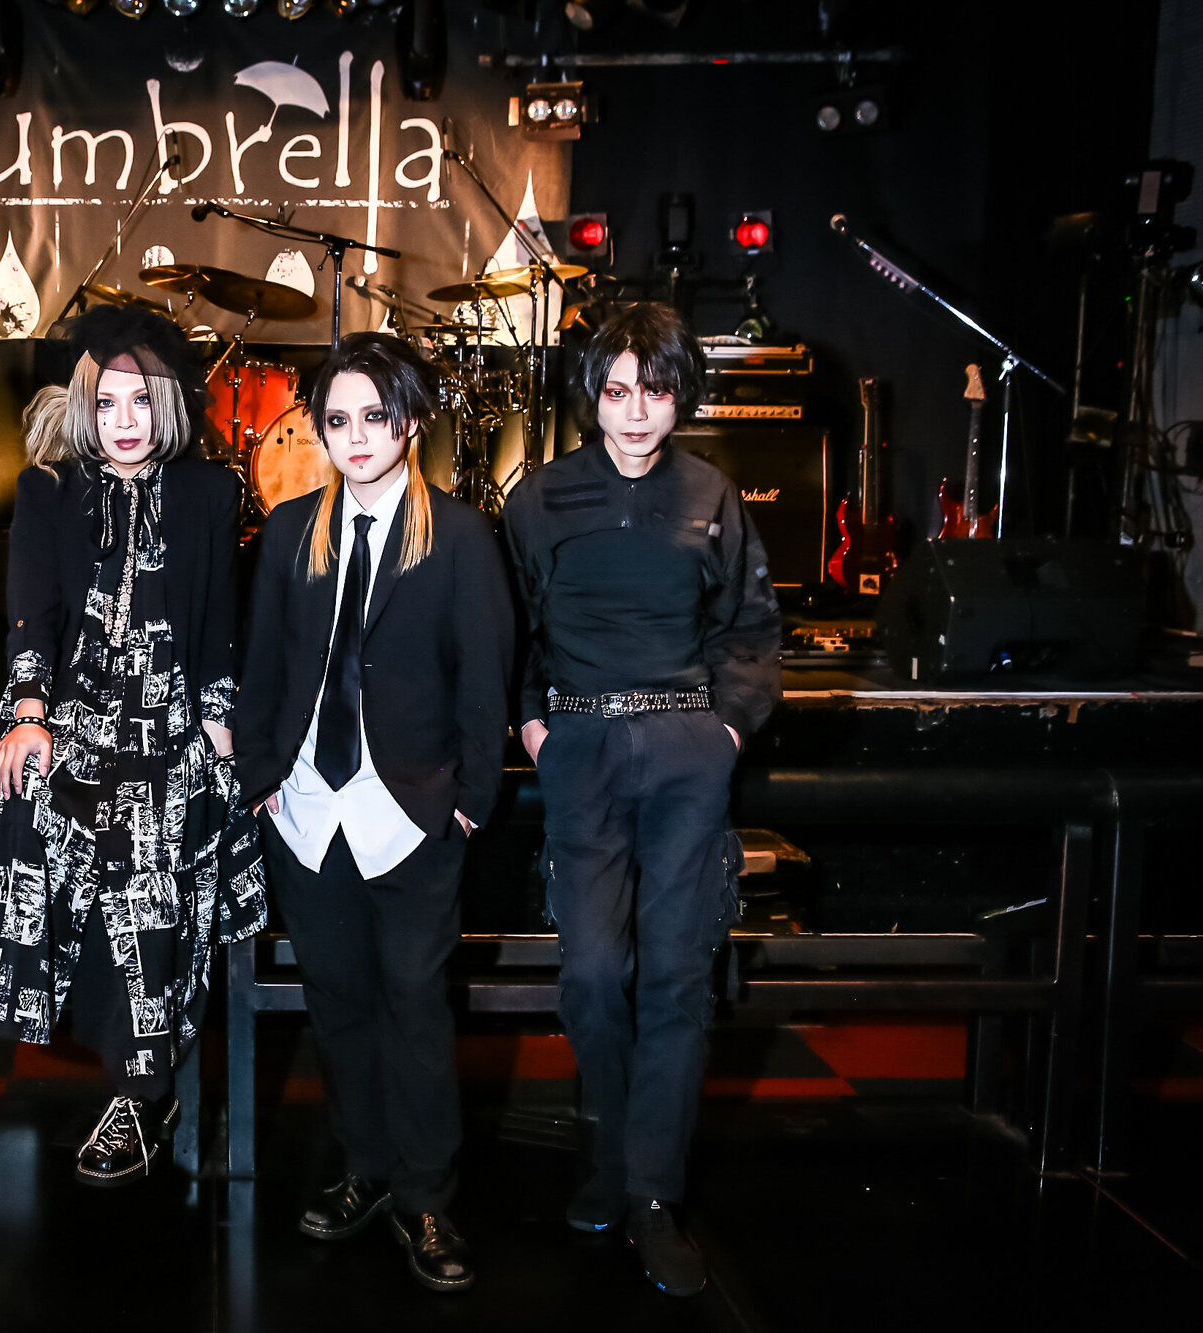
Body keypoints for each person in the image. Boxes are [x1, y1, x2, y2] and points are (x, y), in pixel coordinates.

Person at [500, 303, 780, 1296]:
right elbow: (512, 630)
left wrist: (725, 731)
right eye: (617, 391)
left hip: (682, 747)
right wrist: (532, 726)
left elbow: (750, 628)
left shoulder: (710, 492)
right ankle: (614, 1154)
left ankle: (651, 1192)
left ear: (679, 397)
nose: (634, 412)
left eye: (655, 392)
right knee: (589, 975)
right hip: (579, 746)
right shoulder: (539, 497)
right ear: (593, 394)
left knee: (674, 977)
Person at [232, 332, 514, 1294]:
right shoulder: (289, 531)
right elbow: (264, 665)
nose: (356, 437)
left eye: (376, 417)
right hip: (308, 810)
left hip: (414, 814)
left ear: (413, 420)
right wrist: (262, 779)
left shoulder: (461, 537)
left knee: (415, 1006)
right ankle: (365, 1168)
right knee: (339, 1003)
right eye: (338, 420)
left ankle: (427, 1195)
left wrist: (468, 805)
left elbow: (486, 679)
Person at [0, 305, 266, 1187]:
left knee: (156, 833)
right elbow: (32, 617)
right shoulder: (48, 490)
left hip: (171, 724)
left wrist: (219, 727)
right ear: (84, 406)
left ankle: (143, 1087)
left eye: (141, 401)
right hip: (75, 719)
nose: (124, 420)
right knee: (36, 808)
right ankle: (125, 1062)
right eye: (106, 402)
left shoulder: (209, 493)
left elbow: (219, 629)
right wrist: (27, 712)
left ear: (167, 404)